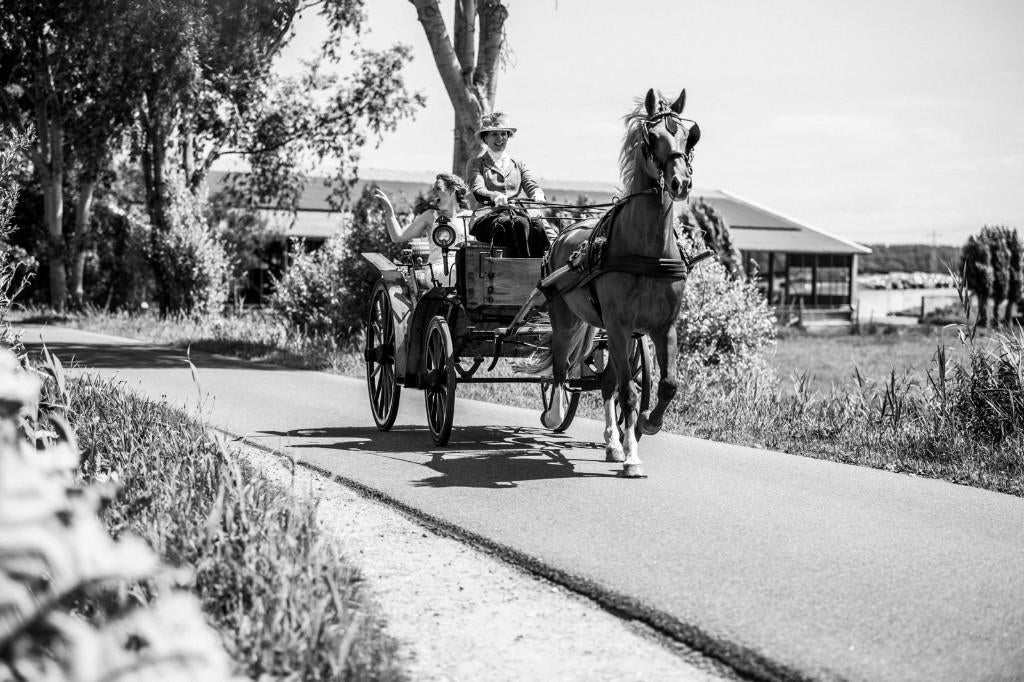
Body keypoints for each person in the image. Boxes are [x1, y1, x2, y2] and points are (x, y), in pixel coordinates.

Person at [465, 112, 557, 257]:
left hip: (516, 213)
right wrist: (495, 196)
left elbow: (530, 183)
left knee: (537, 224)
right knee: (519, 224)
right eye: (494, 134)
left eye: (504, 134)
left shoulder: (518, 165)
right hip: (487, 217)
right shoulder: (476, 163)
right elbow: (478, 189)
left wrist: (537, 193)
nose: (500, 138)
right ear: (485, 138)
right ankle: (522, 269)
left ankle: (541, 267)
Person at [373, 173, 472, 282]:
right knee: (460, 273)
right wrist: (389, 212)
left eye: (438, 189)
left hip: (468, 268)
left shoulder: (471, 217)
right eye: (433, 190)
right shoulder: (430, 216)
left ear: (452, 190)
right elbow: (398, 236)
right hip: (438, 270)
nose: (434, 193)